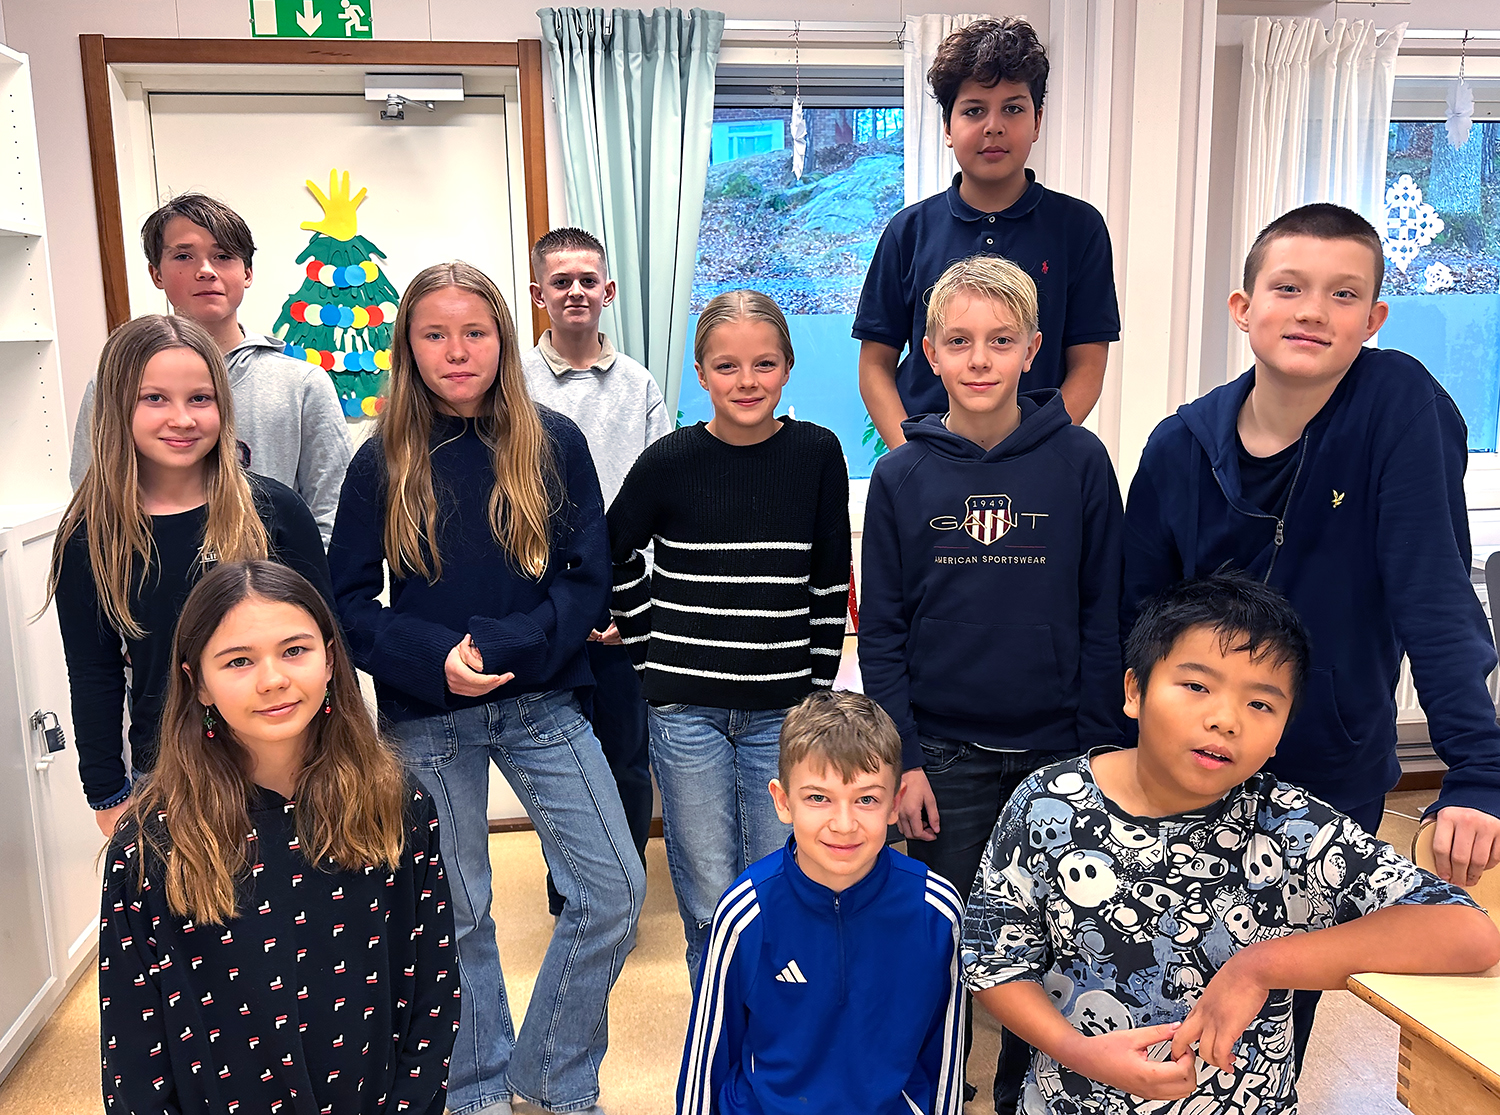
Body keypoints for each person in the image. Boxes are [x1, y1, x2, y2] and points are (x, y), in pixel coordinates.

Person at [1122, 203, 1500, 1065]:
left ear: (1373, 318)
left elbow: (1435, 594)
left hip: (1327, 764)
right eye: (1289, 288)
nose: (1313, 311)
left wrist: (1478, 772)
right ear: (1243, 307)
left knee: (1272, 1003)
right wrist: (1110, 761)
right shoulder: (1179, 447)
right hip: (1187, 762)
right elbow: (1134, 621)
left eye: (1343, 294)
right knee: (1156, 972)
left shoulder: (1397, 405)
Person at [962, 573, 1500, 1115]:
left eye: (1261, 704)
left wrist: (1261, 964)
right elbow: (993, 963)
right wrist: (1076, 1051)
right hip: (1068, 1099)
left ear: (1282, 731)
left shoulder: (1290, 827)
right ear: (1134, 691)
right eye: (1197, 686)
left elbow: (1468, 933)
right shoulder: (1048, 803)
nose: (1225, 720)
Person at [328, 260, 643, 1115]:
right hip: (427, 719)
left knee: (615, 888)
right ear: (409, 346)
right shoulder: (380, 459)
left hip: (542, 703)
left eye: (474, 331)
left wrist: (508, 641)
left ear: (503, 338)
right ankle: (473, 1085)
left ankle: (550, 1074)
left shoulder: (554, 442)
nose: (457, 350)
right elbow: (346, 603)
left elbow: (587, 579)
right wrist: (434, 655)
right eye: (435, 334)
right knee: (456, 911)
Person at [858, 253, 1123, 1112]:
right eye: (960, 341)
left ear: (1033, 350)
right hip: (944, 755)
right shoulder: (901, 474)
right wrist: (904, 761)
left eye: (1001, 340)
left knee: (1052, 940)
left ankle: (1022, 1091)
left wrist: (1099, 757)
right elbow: (883, 631)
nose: (980, 358)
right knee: (946, 939)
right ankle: (938, 1085)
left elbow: (1103, 616)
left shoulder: (1080, 462)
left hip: (1059, 751)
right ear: (930, 352)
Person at [98, 559, 459, 1115]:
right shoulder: (153, 844)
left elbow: (434, 989)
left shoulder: (396, 807)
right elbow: (133, 1047)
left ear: (330, 659)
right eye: (238, 661)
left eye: (294, 650)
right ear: (198, 684)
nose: (272, 680)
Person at [609, 289, 851, 984]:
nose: (747, 381)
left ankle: (777, 1025)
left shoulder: (817, 453)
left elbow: (829, 581)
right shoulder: (670, 460)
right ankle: (718, 1029)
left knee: (780, 884)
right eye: (726, 366)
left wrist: (815, 693)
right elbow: (610, 553)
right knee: (710, 896)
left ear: (788, 367)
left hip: (782, 713)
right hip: (687, 713)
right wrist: (647, 650)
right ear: (700, 372)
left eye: (764, 363)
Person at [48, 314, 332, 838]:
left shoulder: (274, 511)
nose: (182, 418)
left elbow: (328, 645)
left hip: (296, 764)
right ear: (116, 406)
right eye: (154, 398)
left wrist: (344, 751)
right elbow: (93, 672)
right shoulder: (90, 537)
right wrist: (106, 792)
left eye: (200, 398)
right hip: (170, 776)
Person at [677, 690, 966, 1115]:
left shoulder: (937, 914)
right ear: (782, 801)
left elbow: (945, 1064)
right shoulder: (745, 913)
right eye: (818, 797)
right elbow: (707, 1062)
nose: (844, 824)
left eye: (866, 799)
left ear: (895, 803)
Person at [854, 17, 1119, 445]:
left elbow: (1088, 365)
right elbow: (874, 365)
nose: (993, 126)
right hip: (927, 451)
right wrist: (911, 456)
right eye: (974, 110)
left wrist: (1036, 453)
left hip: (1036, 457)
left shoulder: (1079, 227)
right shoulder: (909, 231)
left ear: (1037, 121)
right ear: (947, 127)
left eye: (1013, 109)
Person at [523, 226, 671, 895]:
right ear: (539, 295)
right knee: (555, 764)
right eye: (561, 282)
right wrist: (555, 606)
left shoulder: (638, 384)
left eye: (588, 280)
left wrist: (632, 606)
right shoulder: (513, 385)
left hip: (623, 609)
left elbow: (663, 502)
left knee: (626, 760)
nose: (576, 292)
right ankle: (572, 893)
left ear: (608, 291)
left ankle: (625, 893)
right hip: (544, 609)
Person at [70, 193, 351, 545]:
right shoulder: (116, 382)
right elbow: (92, 496)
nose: (205, 270)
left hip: (270, 576)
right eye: (183, 256)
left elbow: (334, 509)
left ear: (247, 273)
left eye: (223, 256)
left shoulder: (301, 384)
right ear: (156, 273)